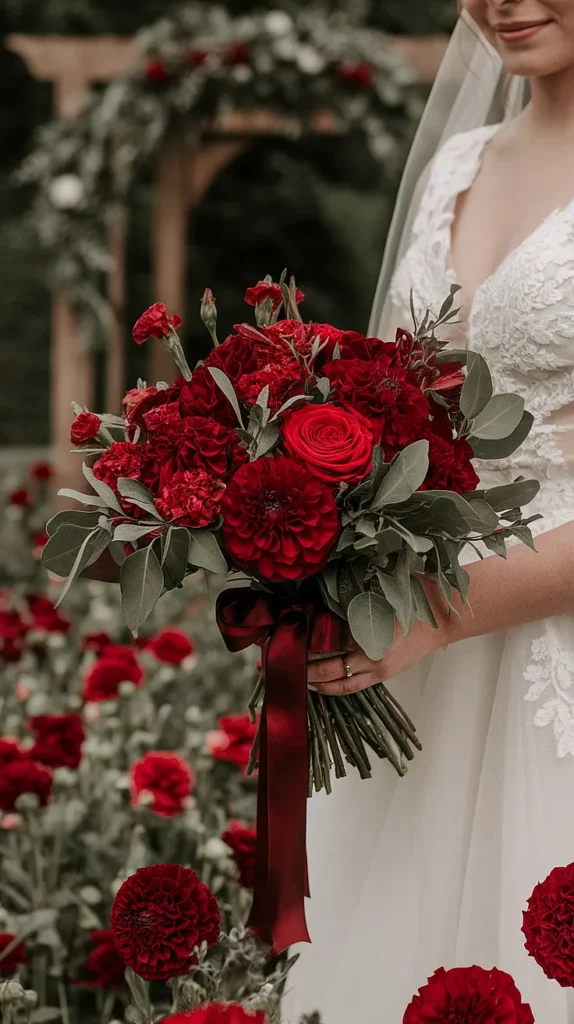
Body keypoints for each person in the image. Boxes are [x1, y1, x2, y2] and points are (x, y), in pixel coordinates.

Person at [286, 2, 574, 1021]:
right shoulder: (456, 162)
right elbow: (388, 411)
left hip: (536, 646)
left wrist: (440, 612)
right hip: (415, 660)